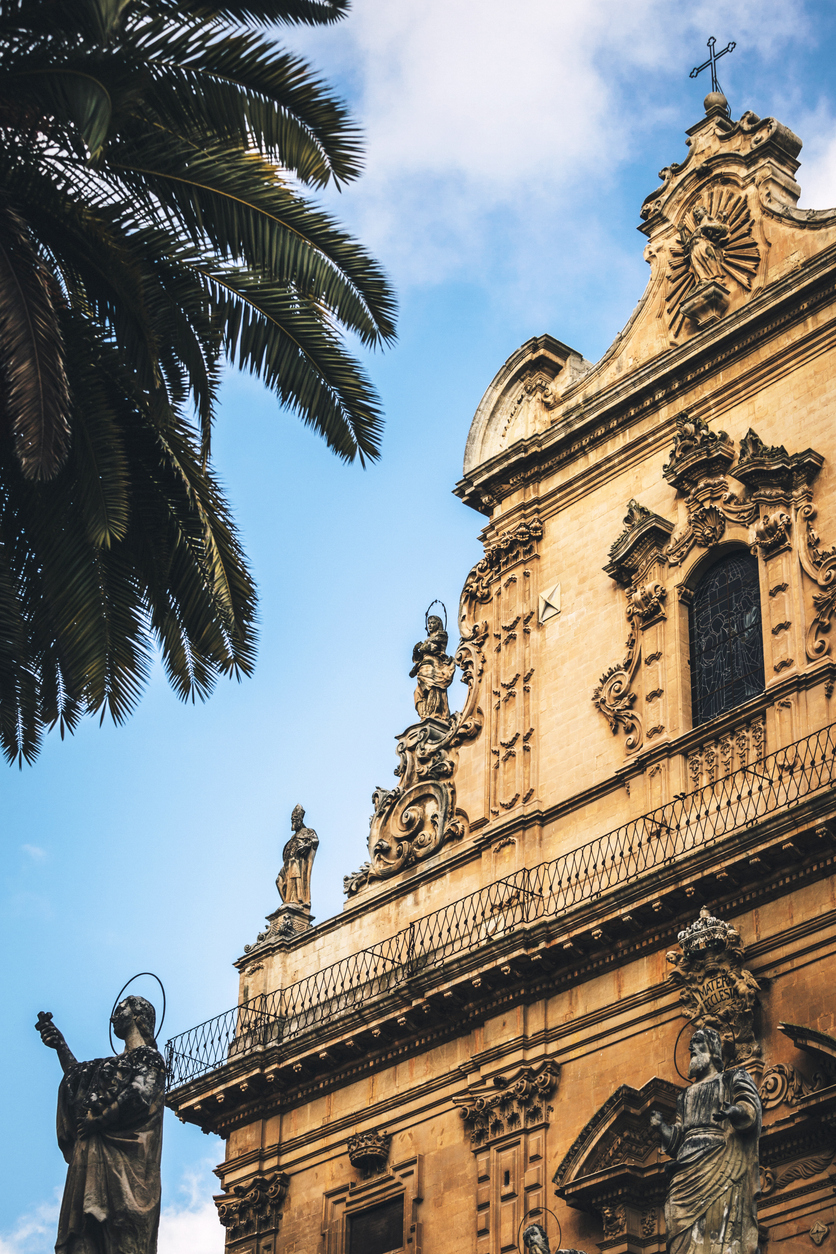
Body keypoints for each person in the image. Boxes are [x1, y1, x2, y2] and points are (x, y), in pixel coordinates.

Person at [36, 996, 165, 1254]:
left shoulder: (149, 1058)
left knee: (120, 1234)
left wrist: (100, 1119)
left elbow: (139, 1096)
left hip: (127, 1164)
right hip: (91, 1156)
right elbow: (79, 1080)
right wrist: (61, 1046)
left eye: (122, 1009)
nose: (114, 1015)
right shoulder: (108, 1066)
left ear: (139, 1018)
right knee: (85, 1236)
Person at [650, 1026, 761, 1254]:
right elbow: (678, 1138)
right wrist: (662, 1127)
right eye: (691, 1043)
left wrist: (735, 1111)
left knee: (716, 1228)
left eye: (698, 1041)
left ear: (713, 1049)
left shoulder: (732, 1078)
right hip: (685, 1171)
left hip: (720, 1161)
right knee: (678, 1227)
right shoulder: (685, 1096)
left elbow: (750, 1106)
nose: (691, 1047)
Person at [409, 614, 456, 721]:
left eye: (433, 623)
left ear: (438, 624)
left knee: (433, 688)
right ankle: (425, 713)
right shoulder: (429, 639)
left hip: (434, 666)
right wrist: (416, 651)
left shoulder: (441, 635)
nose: (430, 625)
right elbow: (419, 657)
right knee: (418, 692)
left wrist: (423, 647)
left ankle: (436, 713)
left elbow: (432, 647)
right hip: (423, 666)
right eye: (429, 623)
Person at [276, 804, 319, 907]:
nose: (293, 823)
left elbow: (315, 841)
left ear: (300, 820)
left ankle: (296, 900)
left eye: (295, 820)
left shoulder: (308, 831)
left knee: (295, 877)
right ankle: (287, 901)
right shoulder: (293, 837)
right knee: (279, 881)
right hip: (287, 864)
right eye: (292, 821)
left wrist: (306, 846)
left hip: (298, 862)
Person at [681, 206, 730, 285]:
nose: (696, 214)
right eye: (694, 213)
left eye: (697, 211)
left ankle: (716, 277)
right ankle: (703, 279)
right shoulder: (697, 229)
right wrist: (681, 231)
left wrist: (705, 226)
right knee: (696, 265)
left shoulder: (710, 222)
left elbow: (723, 228)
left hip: (704, 244)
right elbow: (686, 245)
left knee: (709, 258)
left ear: (704, 211)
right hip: (693, 249)